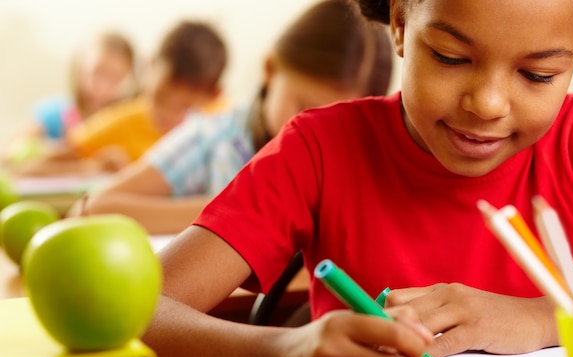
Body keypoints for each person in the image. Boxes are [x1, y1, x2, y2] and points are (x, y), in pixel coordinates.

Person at [142, 0, 573, 357]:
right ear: (399, 24)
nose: (487, 103)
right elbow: (139, 315)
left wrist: (546, 320)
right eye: (450, 57)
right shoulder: (317, 151)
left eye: (537, 74)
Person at [75, 0, 393, 234]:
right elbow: (93, 209)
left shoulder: (360, 162)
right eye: (303, 106)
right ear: (270, 70)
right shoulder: (213, 139)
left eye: (335, 122)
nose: (313, 129)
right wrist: (236, 208)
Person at [16, 20, 228, 177]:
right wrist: (93, 166)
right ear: (149, 65)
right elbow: (31, 170)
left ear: (212, 94)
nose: (168, 112)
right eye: (160, 97)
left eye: (185, 106)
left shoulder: (224, 122)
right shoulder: (115, 122)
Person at [1, 32, 137, 168]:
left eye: (115, 77)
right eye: (97, 71)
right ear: (80, 67)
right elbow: (10, 151)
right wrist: (51, 150)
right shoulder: (54, 113)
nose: (103, 86)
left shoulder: (127, 120)